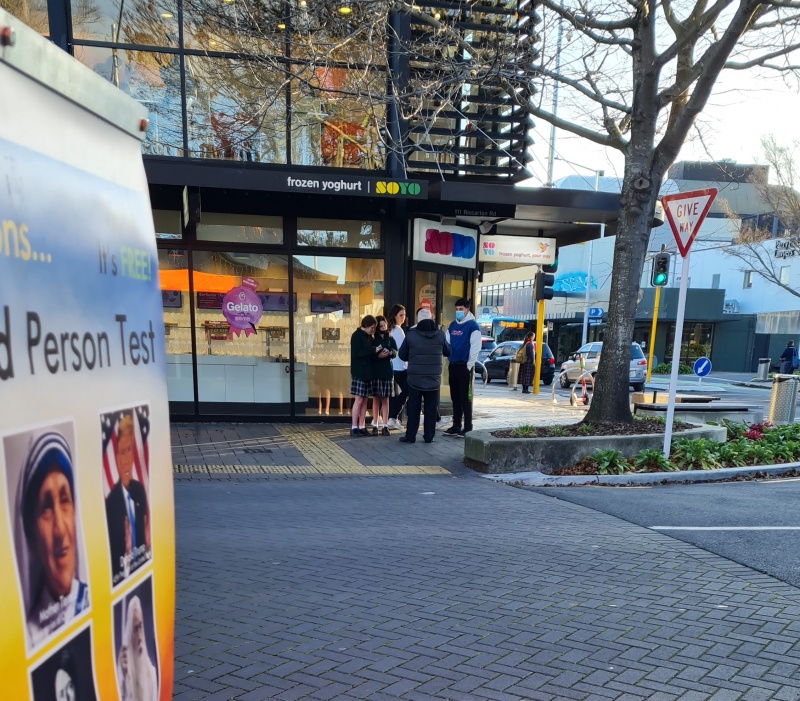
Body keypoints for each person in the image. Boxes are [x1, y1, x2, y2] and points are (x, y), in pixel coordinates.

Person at [20, 430, 90, 648]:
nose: (60, 530)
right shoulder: (29, 638)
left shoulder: (94, 600)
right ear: (31, 535)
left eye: (65, 499)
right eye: (46, 508)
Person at [106, 415, 151, 586]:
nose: (126, 460)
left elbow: (145, 542)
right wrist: (126, 553)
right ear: (116, 457)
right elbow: (112, 566)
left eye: (129, 450)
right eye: (122, 452)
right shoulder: (111, 503)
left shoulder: (139, 491)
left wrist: (148, 545)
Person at [397, 308, 450, 444]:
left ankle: (410, 436)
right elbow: (448, 351)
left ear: (418, 320)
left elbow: (402, 355)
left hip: (414, 379)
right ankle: (429, 436)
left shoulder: (411, 335)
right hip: (433, 379)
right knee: (431, 409)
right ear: (431, 318)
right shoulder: (440, 335)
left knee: (414, 408)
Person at [443, 298, 481, 437]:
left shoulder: (472, 326)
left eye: (461, 309)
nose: (458, 312)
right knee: (455, 398)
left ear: (467, 310)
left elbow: (475, 348)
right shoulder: (452, 325)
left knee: (465, 398)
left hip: (464, 366)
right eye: (456, 309)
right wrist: (448, 358)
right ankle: (456, 425)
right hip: (453, 365)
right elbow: (446, 344)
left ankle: (468, 427)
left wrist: (468, 366)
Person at [117, 595, 158, 701]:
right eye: (135, 629)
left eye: (141, 627)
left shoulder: (151, 675)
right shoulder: (122, 674)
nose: (140, 637)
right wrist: (124, 678)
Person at [350, 315, 385, 436]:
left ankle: (362, 425)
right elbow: (357, 353)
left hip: (367, 372)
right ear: (365, 325)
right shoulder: (356, 336)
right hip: (359, 372)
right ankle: (354, 426)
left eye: (374, 327)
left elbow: (368, 353)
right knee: (359, 399)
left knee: (365, 399)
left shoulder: (368, 336)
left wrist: (376, 352)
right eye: (372, 327)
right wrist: (373, 350)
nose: (373, 330)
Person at [370, 315, 397, 435]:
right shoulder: (373, 339)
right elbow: (370, 354)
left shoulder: (390, 338)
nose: (383, 328)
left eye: (384, 325)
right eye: (380, 326)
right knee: (376, 399)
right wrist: (378, 356)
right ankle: (375, 424)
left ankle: (385, 425)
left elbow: (395, 351)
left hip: (387, 371)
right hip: (376, 371)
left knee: (385, 399)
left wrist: (390, 352)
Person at [386, 304, 408, 431]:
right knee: (406, 392)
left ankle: (390, 417)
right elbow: (403, 350)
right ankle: (393, 417)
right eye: (401, 315)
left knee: (394, 394)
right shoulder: (398, 331)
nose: (403, 317)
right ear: (395, 316)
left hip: (393, 366)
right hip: (400, 366)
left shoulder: (390, 329)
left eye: (404, 315)